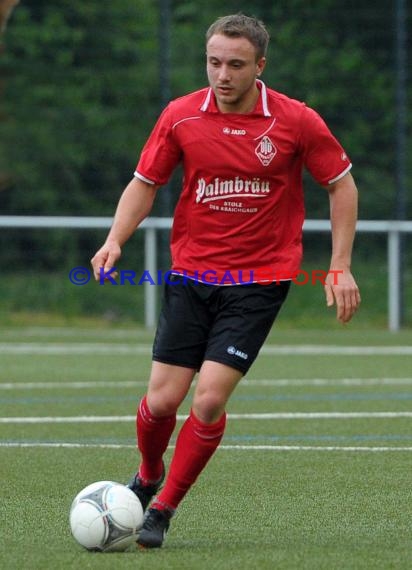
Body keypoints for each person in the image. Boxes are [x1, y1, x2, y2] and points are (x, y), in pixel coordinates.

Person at [91, 13, 361, 548]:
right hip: (192, 273)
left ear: (260, 66)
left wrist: (341, 262)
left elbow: (341, 184)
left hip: (259, 280)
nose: (222, 74)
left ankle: (163, 510)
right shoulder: (181, 116)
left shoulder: (296, 121)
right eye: (214, 62)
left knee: (209, 401)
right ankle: (148, 475)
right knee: (163, 402)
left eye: (235, 64)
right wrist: (115, 238)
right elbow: (145, 182)